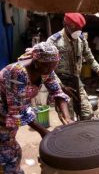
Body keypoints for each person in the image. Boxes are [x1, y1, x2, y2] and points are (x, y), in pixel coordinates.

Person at [0, 42, 72, 173]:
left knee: (12, 150)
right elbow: (19, 111)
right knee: (7, 155)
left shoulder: (46, 67)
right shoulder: (18, 73)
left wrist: (68, 119)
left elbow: (57, 92)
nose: (50, 69)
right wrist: (43, 131)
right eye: (47, 66)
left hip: (12, 112)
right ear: (36, 61)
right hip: (3, 114)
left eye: (53, 65)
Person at [46, 13, 99, 121]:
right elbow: (47, 69)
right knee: (68, 120)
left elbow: (90, 58)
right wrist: (61, 87)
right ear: (65, 24)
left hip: (77, 83)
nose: (78, 30)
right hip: (61, 85)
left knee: (87, 114)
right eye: (74, 27)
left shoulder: (81, 40)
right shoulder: (53, 42)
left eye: (80, 28)